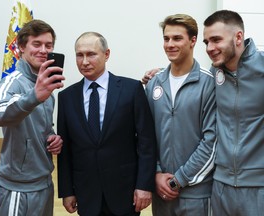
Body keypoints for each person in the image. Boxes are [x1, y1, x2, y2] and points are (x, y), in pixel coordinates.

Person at [57, 31, 157, 216]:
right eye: (79, 55)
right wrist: (67, 191)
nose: (84, 61)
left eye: (91, 54)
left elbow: (147, 142)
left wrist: (144, 185)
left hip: (125, 191)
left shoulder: (131, 90)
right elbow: (66, 150)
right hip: (86, 193)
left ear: (106, 54)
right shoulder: (66, 97)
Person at [144, 14, 217, 215]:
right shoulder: (153, 84)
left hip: (196, 194)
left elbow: (211, 141)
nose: (170, 44)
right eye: (166, 39)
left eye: (177, 38)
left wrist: (180, 179)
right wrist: (157, 173)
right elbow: (145, 137)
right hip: (161, 191)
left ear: (193, 41)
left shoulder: (208, 83)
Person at [0, 19, 65, 216]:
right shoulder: (12, 82)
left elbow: (43, 128)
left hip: (44, 183)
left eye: (48, 45)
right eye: (36, 44)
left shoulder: (48, 89)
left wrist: (53, 138)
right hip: (16, 188)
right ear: (22, 47)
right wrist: (34, 96)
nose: (43, 50)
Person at [203, 10, 264, 216]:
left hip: (258, 189)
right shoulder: (212, 74)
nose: (210, 48)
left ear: (238, 37)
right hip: (221, 187)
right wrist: (160, 75)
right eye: (206, 42)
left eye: (216, 40)